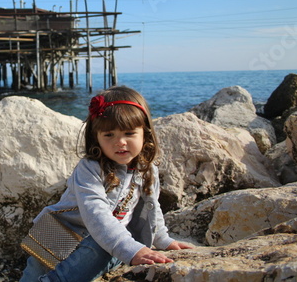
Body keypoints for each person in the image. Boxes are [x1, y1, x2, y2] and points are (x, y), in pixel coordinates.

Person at [20, 85, 193, 282]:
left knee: (104, 249)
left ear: (145, 133)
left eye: (129, 133)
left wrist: (163, 240)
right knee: (33, 276)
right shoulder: (89, 168)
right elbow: (96, 214)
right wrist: (129, 248)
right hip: (60, 233)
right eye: (109, 135)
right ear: (96, 137)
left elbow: (153, 207)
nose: (120, 142)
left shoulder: (147, 169)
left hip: (103, 240)